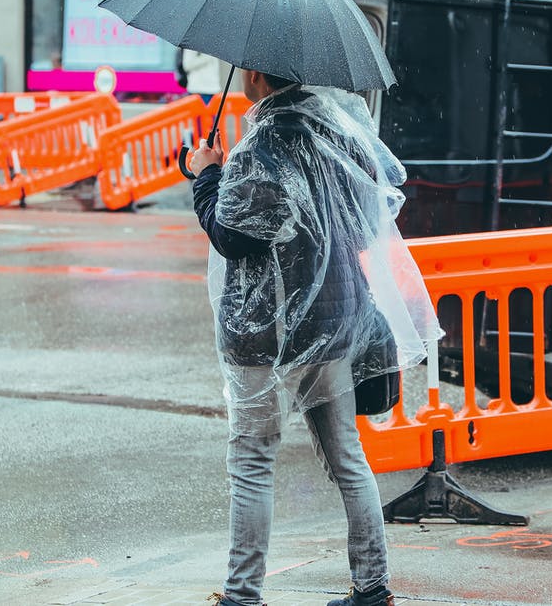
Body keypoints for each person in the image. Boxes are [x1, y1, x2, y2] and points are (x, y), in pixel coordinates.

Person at [188, 69, 442, 606]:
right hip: (331, 323)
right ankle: (373, 588)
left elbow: (233, 236)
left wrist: (207, 175)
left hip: (266, 331)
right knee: (348, 455)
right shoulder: (338, 131)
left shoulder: (263, 145)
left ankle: (242, 596)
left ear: (253, 73)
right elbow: (367, 221)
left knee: (253, 459)